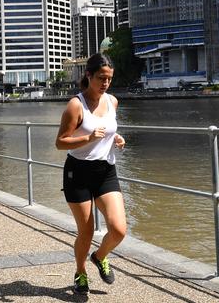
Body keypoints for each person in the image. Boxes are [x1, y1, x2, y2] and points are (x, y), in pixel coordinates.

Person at [55, 53, 126, 294]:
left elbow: (107, 130)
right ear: (89, 75)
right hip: (78, 173)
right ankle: (80, 272)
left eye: (109, 79)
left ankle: (100, 256)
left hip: (106, 170)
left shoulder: (113, 101)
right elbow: (61, 142)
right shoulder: (76, 105)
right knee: (86, 231)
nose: (105, 83)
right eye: (101, 78)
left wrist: (115, 138)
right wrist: (87, 138)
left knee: (118, 229)